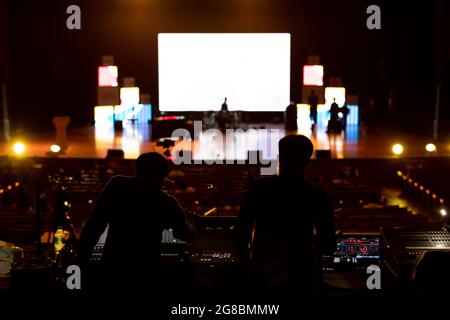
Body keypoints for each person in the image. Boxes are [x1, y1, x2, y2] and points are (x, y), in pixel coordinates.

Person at [77, 152, 194, 291]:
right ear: (164, 174)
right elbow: (186, 235)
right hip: (145, 274)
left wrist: (81, 264)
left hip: (112, 269)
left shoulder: (117, 185)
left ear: (137, 169)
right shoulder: (167, 202)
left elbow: (94, 226)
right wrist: (191, 222)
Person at [236, 135, 335, 295]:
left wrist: (245, 266)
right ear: (308, 164)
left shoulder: (259, 188)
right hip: (302, 274)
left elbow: (242, 230)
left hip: (262, 271)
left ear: (280, 158)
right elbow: (328, 243)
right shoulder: (318, 197)